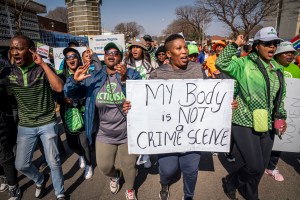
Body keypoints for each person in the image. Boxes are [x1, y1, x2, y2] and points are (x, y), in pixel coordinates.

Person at [216, 27, 287, 200]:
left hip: (268, 124)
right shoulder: (244, 64)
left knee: (260, 166)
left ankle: (251, 194)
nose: (272, 46)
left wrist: (281, 117)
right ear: (256, 46)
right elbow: (221, 63)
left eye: (275, 43)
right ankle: (231, 182)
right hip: (244, 122)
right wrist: (235, 44)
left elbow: (280, 96)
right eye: (267, 43)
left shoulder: (277, 69)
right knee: (254, 167)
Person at [64, 42, 141, 200]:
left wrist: (125, 79)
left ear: (121, 57)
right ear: (104, 57)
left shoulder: (132, 74)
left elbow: (142, 97)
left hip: (128, 133)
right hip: (103, 133)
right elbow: (71, 94)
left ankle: (130, 189)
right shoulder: (94, 77)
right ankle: (115, 176)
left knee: (130, 167)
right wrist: (75, 81)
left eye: (115, 53)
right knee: (105, 168)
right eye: (108, 53)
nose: (111, 55)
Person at [5, 35, 66, 200]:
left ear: (30, 50)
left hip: (47, 123)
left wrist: (43, 64)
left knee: (54, 162)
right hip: (25, 126)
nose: (15, 52)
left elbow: (59, 88)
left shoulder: (42, 69)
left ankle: (60, 193)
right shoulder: (9, 73)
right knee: (21, 164)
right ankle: (40, 179)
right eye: (12, 48)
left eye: (19, 48)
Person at [265, 41, 300, 182]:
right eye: (286, 52)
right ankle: (259, 164)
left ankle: (271, 167)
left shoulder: (296, 70)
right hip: (267, 110)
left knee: (280, 137)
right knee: (264, 138)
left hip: (284, 112)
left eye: (292, 53)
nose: (290, 55)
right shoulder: (269, 66)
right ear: (278, 54)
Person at [58, 47, 93, 179]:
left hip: (83, 111)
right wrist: (63, 99)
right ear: (65, 61)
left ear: (78, 59)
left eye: (74, 56)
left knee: (84, 141)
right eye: (68, 57)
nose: (71, 59)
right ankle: (81, 155)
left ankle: (89, 164)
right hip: (68, 114)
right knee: (72, 143)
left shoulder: (87, 73)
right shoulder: (61, 76)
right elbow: (56, 95)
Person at [0, 58, 21, 200]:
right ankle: (4, 178)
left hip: (4, 118)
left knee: (5, 153)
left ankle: (13, 186)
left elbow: (14, 92)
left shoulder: (5, 70)